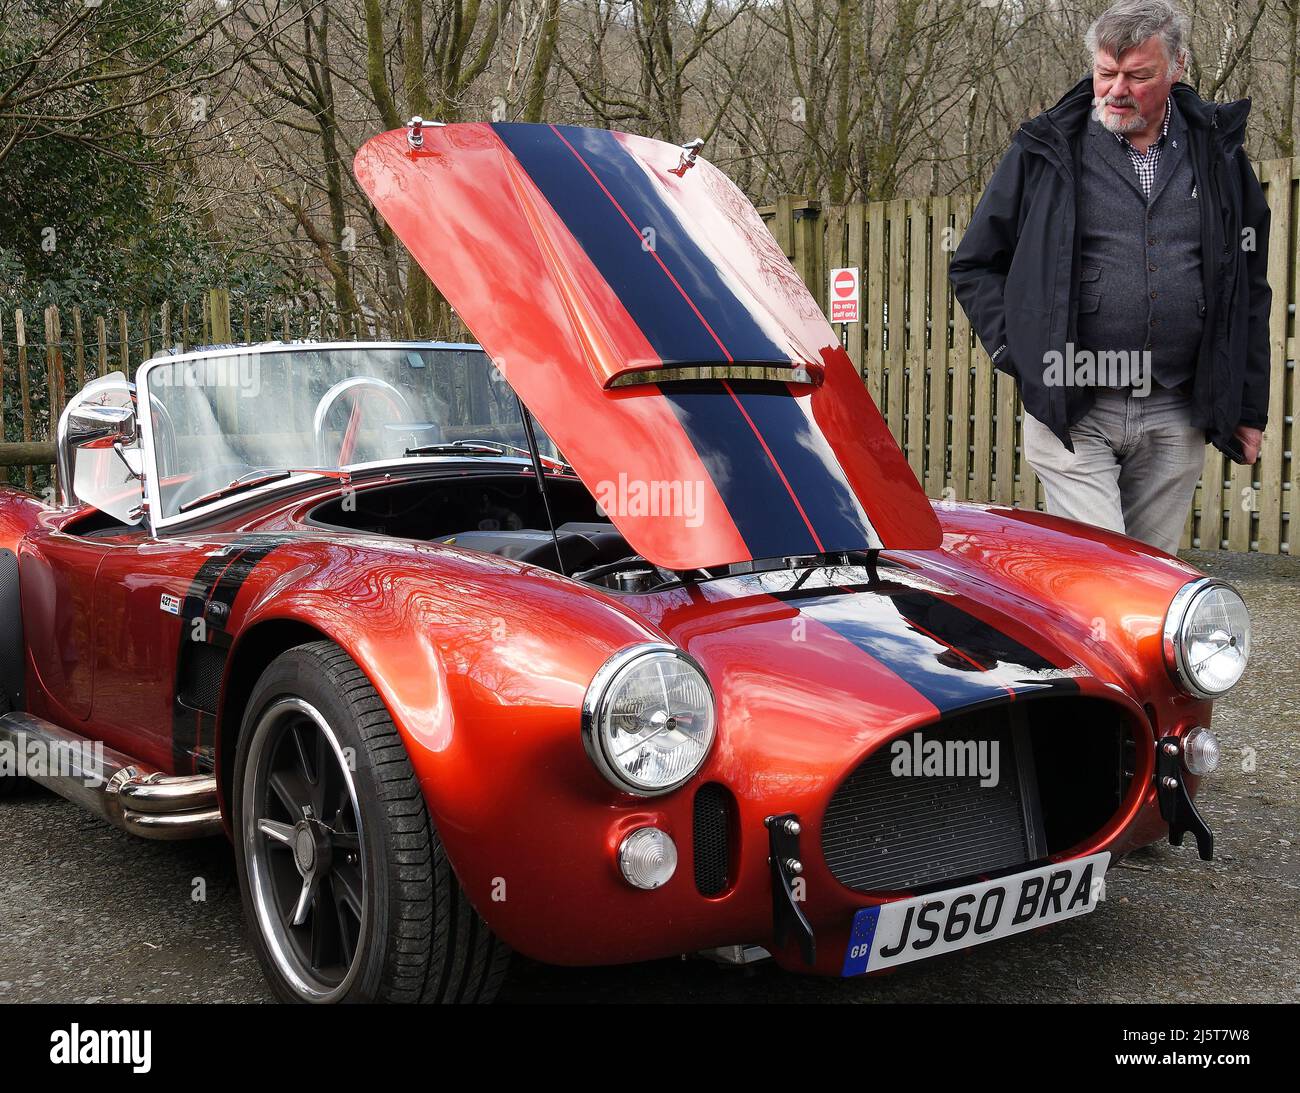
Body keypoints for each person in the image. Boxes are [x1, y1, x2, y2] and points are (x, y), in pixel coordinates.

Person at [949, 0, 1270, 554]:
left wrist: (1246, 407)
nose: (1116, 90)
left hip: (1175, 405)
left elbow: (1248, 285)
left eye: (1138, 75)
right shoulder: (1045, 148)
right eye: (1106, 72)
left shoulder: (1217, 153)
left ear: (1177, 68)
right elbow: (976, 263)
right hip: (1073, 401)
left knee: (1150, 582)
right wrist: (1016, 353)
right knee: (1100, 572)